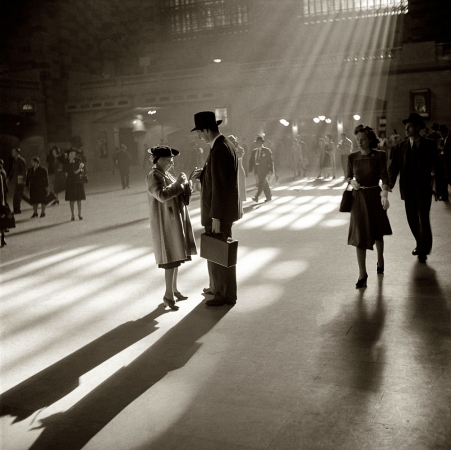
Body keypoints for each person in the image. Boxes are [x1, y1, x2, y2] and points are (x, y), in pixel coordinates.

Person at [190, 111, 241, 306]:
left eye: (199, 132)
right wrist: (203, 174)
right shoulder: (223, 145)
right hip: (220, 211)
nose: (199, 136)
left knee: (220, 251)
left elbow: (220, 187)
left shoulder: (219, 149)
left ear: (206, 130)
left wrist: (216, 217)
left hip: (218, 212)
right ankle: (218, 288)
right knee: (217, 250)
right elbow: (220, 177)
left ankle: (224, 294)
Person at [146, 146, 197, 311]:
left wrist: (185, 182)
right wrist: (178, 183)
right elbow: (161, 195)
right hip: (165, 224)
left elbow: (177, 190)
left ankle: (174, 290)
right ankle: (168, 295)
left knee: (176, 257)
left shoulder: (164, 173)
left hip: (173, 220)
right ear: (158, 160)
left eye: (171, 160)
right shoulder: (153, 176)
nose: (171, 163)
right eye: (168, 160)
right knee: (170, 259)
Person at [388, 112, 438, 263]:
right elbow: (393, 168)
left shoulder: (430, 145)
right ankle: (420, 242)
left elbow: (438, 166)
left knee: (423, 218)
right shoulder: (400, 147)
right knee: (412, 219)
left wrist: (438, 187)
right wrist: (389, 183)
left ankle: (423, 247)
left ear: (418, 128)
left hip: (424, 189)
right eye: (406, 126)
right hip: (407, 189)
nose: (406, 129)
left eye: (409, 126)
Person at [347, 125, 392, 288]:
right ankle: (362, 273)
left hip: (375, 195)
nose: (360, 142)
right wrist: (351, 182)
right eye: (357, 139)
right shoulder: (352, 157)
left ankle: (380, 259)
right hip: (358, 198)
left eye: (363, 139)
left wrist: (384, 195)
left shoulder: (379, 155)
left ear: (370, 139)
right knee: (359, 236)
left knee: (377, 232)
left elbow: (385, 177)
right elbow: (348, 176)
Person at [248, 136, 274, 203]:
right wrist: (250, 170)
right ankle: (269, 196)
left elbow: (270, 161)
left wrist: (271, 170)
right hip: (257, 170)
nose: (259, 144)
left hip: (265, 170)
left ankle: (256, 197)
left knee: (261, 183)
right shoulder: (254, 152)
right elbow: (251, 161)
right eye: (257, 143)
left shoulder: (267, 150)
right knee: (264, 183)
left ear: (262, 143)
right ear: (256, 143)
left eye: (260, 143)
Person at [65, 148, 86, 221]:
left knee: (79, 198)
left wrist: (80, 170)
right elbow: (67, 171)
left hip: (77, 181)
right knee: (71, 199)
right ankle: (72, 214)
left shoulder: (78, 160)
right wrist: (78, 170)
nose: (73, 155)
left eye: (74, 154)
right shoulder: (66, 162)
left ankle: (79, 214)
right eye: (71, 154)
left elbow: (81, 170)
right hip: (70, 182)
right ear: (68, 154)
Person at [228, 135, 247, 203]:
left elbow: (239, 156)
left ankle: (240, 208)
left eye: (233, 142)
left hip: (239, 172)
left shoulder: (240, 149)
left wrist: (236, 148)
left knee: (240, 190)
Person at [8, 148, 27, 214]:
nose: (12, 153)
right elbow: (13, 170)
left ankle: (17, 209)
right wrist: (9, 178)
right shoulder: (15, 161)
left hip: (20, 180)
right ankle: (16, 209)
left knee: (17, 195)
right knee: (19, 195)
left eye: (13, 151)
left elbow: (24, 171)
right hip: (17, 180)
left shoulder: (21, 160)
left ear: (17, 152)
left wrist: (24, 180)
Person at [0, 159, 9, 247]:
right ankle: (2, 238)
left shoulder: (1, 174)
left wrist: (2, 202)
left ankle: (2, 237)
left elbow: (1, 191)